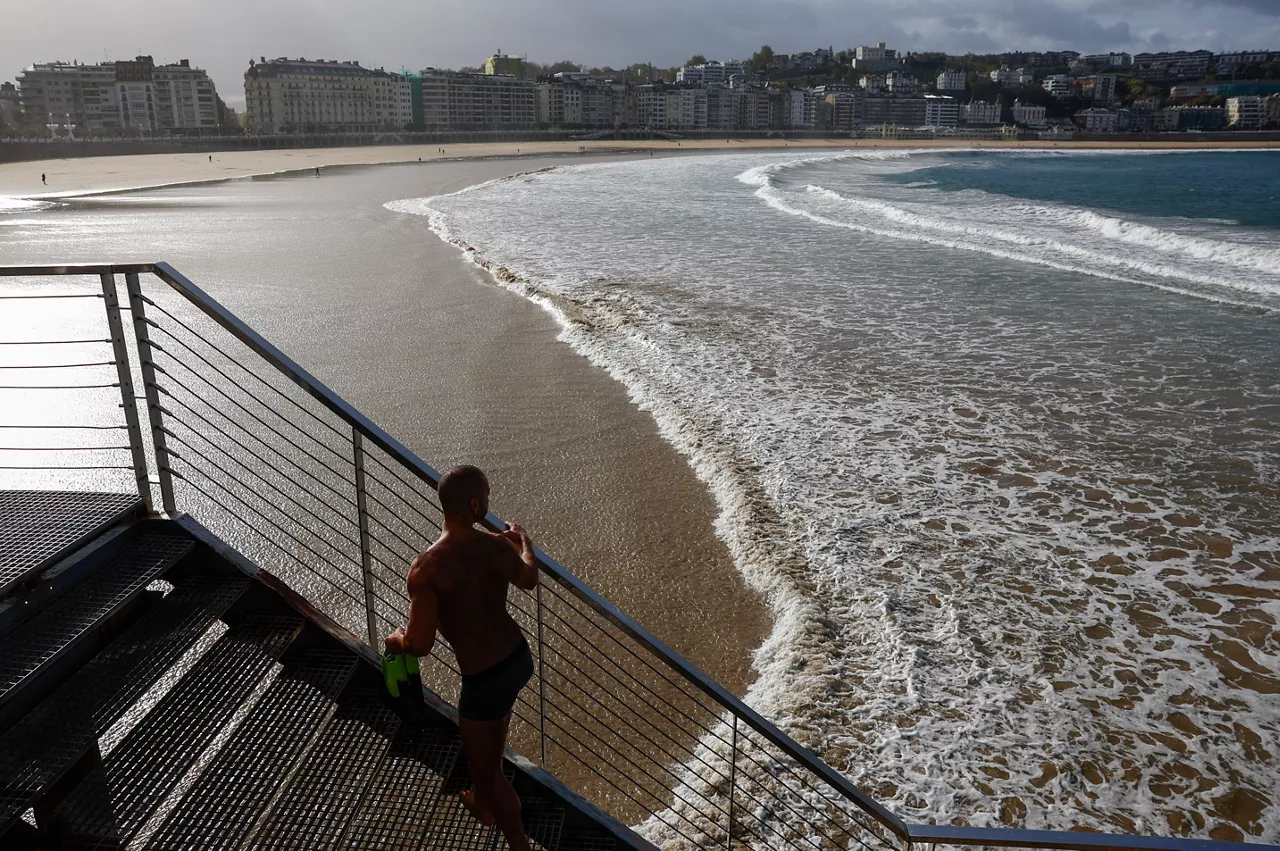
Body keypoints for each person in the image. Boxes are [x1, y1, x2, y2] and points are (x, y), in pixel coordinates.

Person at [385, 465, 537, 851]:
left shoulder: (426, 569)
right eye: (486, 496)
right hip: (518, 660)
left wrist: (395, 640)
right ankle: (482, 805)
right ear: (475, 504)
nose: (488, 504)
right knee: (487, 737)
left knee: (487, 771)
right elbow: (528, 579)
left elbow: (419, 645)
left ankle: (517, 841)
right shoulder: (496, 546)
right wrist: (524, 544)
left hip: (484, 680)